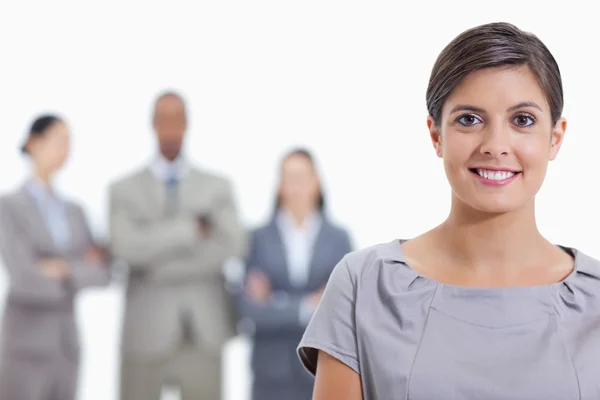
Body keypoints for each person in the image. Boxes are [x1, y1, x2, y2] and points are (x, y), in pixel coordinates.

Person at [297, 22, 600, 399]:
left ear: (555, 138)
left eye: (522, 120)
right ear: (436, 135)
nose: (496, 145)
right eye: (469, 120)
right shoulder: (364, 286)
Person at [109, 91, 245, 400]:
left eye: (177, 118)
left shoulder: (217, 187)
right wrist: (187, 231)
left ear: (187, 124)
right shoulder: (123, 190)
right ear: (152, 124)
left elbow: (233, 245)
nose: (171, 127)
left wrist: (155, 261)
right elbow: (124, 248)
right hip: (145, 333)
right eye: (163, 118)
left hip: (204, 332)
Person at [0, 114, 110, 400]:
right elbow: (24, 277)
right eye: (59, 140)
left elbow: (103, 273)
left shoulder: (75, 211)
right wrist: (78, 269)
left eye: (69, 142)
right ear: (34, 144)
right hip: (25, 347)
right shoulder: (9, 207)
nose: (65, 149)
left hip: (67, 345)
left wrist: (60, 269)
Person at [238, 148, 352, 400]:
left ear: (317, 183)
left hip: (322, 370)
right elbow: (251, 309)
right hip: (270, 373)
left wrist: (275, 300)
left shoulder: (338, 240)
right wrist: (308, 305)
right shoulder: (257, 239)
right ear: (279, 186)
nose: (296, 187)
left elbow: (342, 309)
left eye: (302, 178)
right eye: (289, 178)